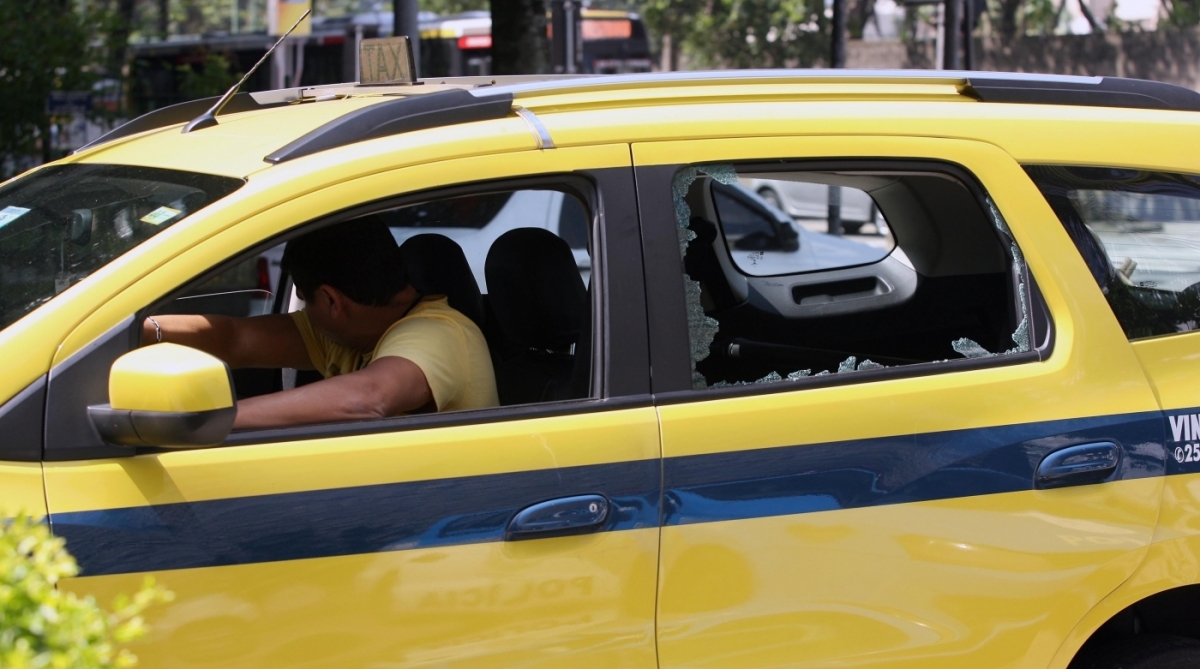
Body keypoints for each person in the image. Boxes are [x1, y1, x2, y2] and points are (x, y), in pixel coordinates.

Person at [142, 216, 498, 429]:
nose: (303, 314)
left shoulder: (439, 333)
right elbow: (231, 339)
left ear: (330, 300)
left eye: (305, 300)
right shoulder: (352, 332)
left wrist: (203, 421)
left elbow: (365, 399)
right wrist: (135, 330)